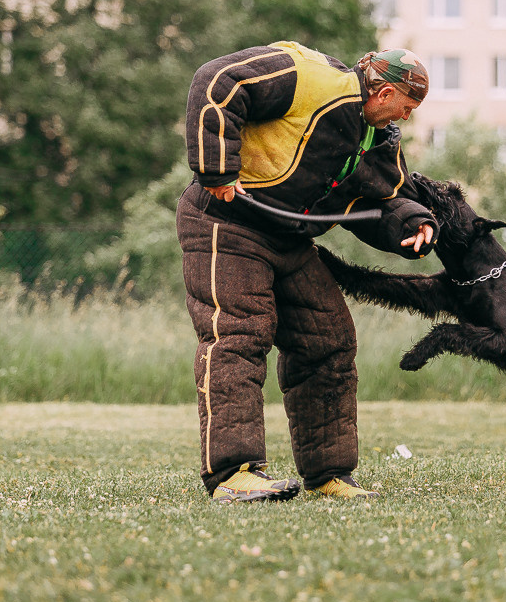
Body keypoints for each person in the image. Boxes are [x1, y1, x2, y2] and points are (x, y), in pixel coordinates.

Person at [176, 41, 436, 503]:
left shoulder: (377, 138)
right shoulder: (309, 77)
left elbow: (379, 200)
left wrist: (412, 223)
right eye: (408, 104)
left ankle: (328, 475)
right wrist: (216, 169)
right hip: (224, 220)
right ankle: (232, 475)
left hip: (289, 238)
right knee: (238, 335)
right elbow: (217, 82)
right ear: (384, 93)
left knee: (328, 340)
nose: (408, 116)